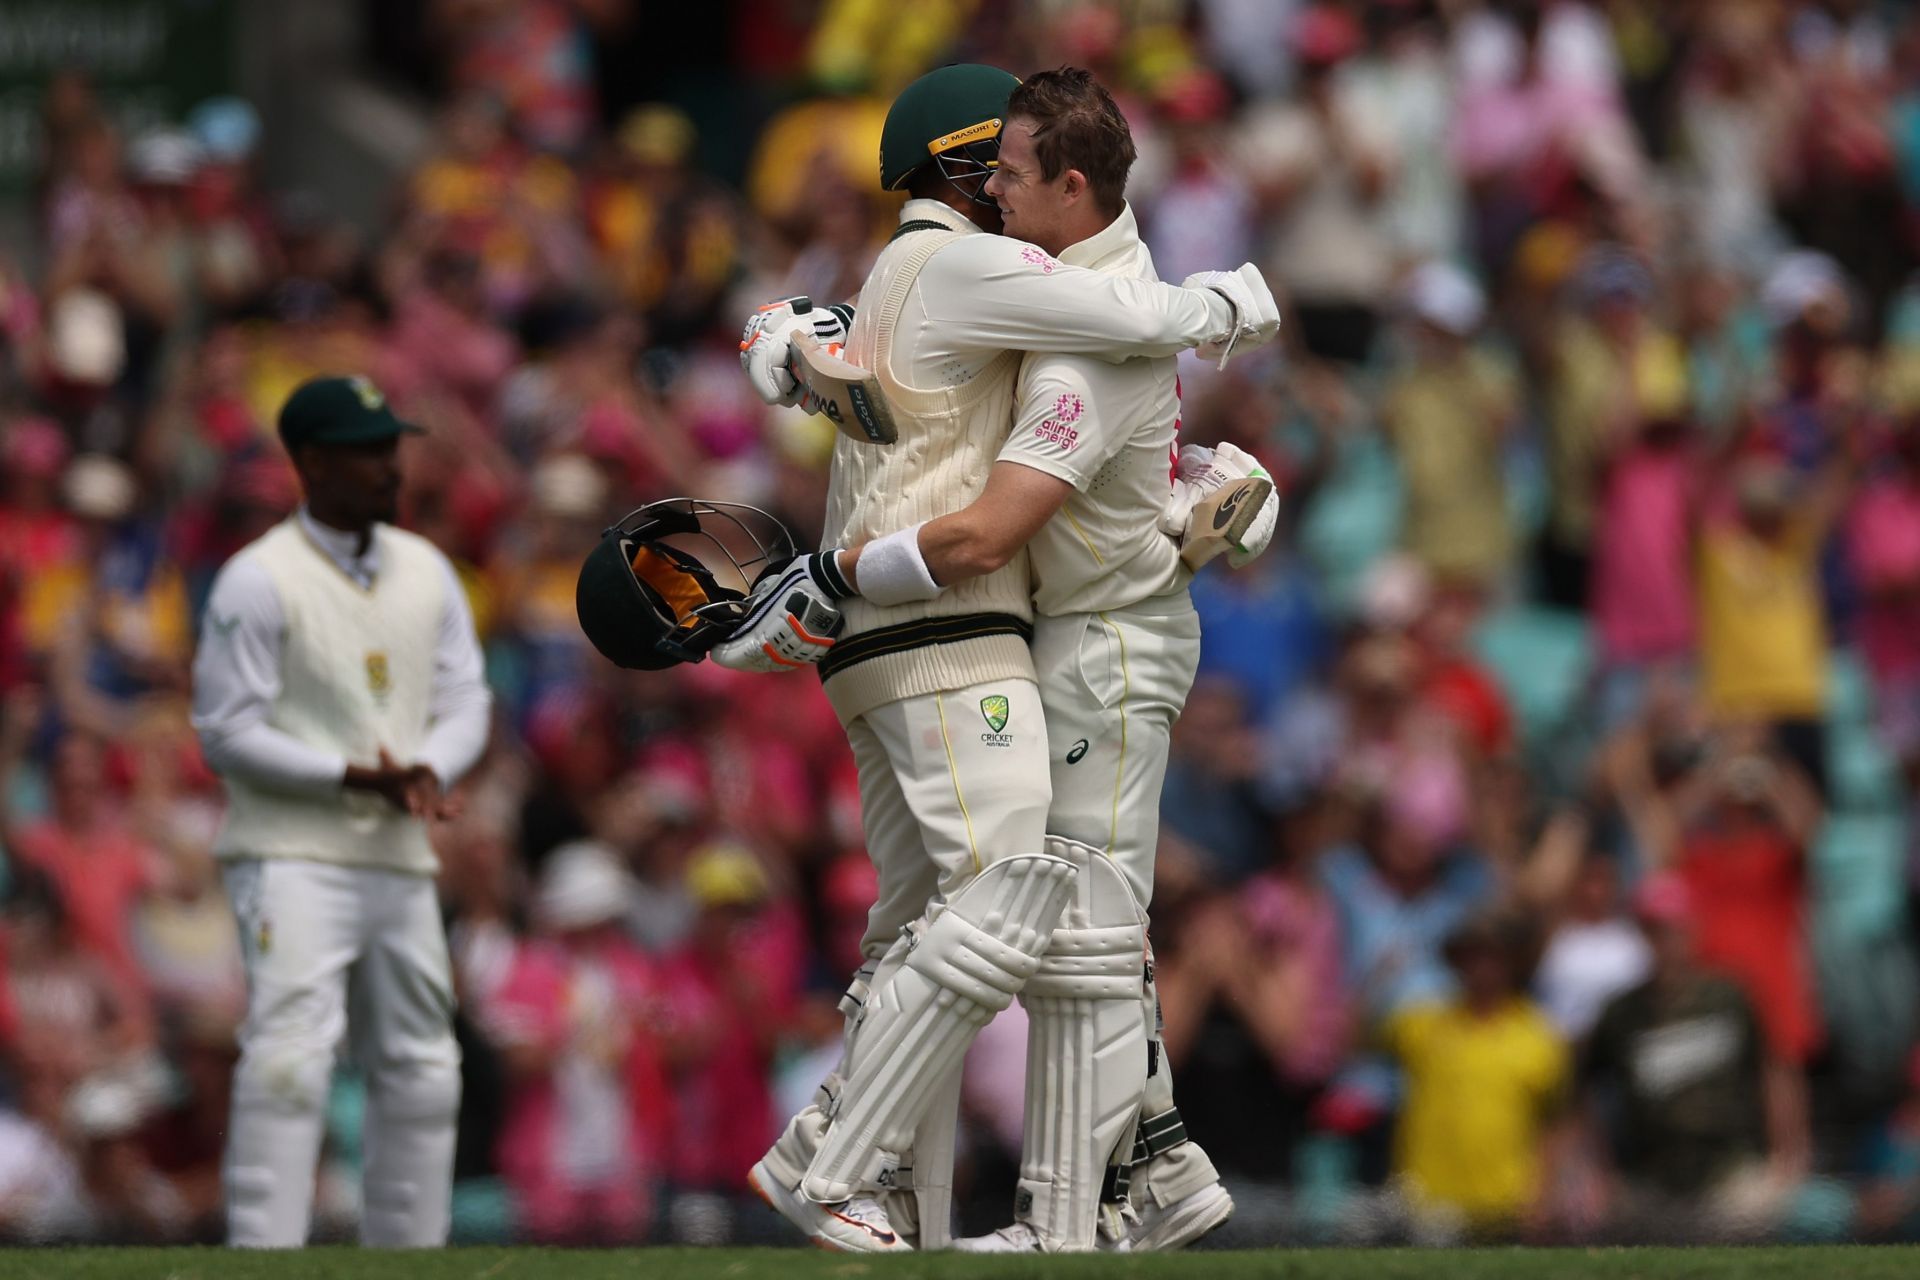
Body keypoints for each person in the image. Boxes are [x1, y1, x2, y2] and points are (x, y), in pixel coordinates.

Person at [714, 63, 1280, 1253]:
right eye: (995, 167)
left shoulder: (973, 276)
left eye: (1019, 171)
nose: (1004, 189)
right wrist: (1233, 305)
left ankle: (1027, 1187)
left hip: (1043, 636)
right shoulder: (1000, 273)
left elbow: (1094, 380)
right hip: (963, 626)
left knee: (999, 917)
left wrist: (789, 344)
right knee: (1043, 910)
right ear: (961, 167)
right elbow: (1133, 329)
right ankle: (867, 1158)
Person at [189, 375, 492, 1247]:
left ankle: (410, 1258)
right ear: (312, 462)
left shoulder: (427, 569)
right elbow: (225, 733)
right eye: (367, 453)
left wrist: (430, 764)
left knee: (425, 1069)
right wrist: (352, 778)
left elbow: (466, 699)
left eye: (389, 448)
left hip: (397, 857)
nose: (389, 468)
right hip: (289, 853)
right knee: (289, 1059)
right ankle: (265, 1255)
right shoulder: (257, 580)